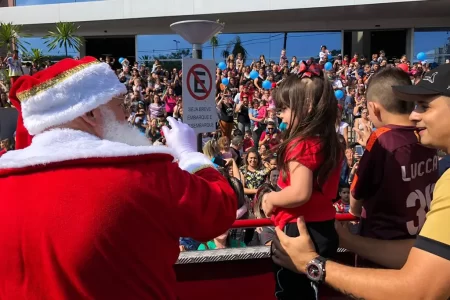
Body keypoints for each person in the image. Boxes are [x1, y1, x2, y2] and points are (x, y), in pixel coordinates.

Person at [0, 56, 237, 300]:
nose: (126, 113)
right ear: (91, 112)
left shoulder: (5, 182)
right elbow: (219, 211)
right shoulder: (143, 174)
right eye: (119, 103)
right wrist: (189, 156)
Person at [271, 64, 450, 300]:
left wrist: (311, 263)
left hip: (379, 258)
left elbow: (419, 290)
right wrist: (349, 240)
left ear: (374, 108)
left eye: (424, 106)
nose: (414, 115)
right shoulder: (434, 157)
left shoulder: (382, 138)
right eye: (414, 106)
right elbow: (419, 252)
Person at [261, 61, 343, 300]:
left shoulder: (301, 143)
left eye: (285, 108)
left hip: (298, 231)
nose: (281, 115)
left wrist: (270, 198)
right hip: (324, 227)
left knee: (290, 292)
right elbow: (328, 192)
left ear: (306, 107)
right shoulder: (331, 142)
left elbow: (299, 193)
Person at [349, 67, 438, 268]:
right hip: (421, 248)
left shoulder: (381, 139)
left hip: (381, 252)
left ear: (374, 108)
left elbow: (355, 201)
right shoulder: (428, 135)